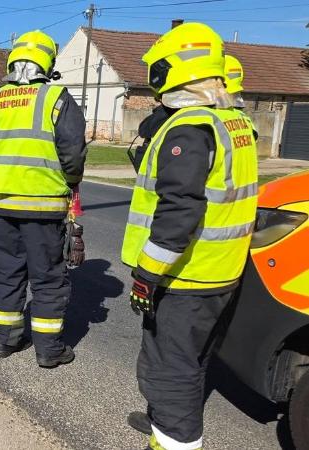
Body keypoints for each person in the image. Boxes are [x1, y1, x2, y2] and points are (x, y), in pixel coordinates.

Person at [122, 22, 258, 450]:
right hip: (220, 271)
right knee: (191, 362)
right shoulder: (234, 120)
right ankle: (163, 419)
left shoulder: (190, 128)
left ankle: (174, 439)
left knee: (172, 369)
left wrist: (148, 271)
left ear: (174, 69)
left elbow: (179, 211)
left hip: (186, 275)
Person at [0, 30, 87, 368]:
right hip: (43, 207)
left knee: (7, 275)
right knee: (48, 279)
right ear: (48, 62)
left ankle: (5, 341)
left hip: (0, 207)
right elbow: (73, 156)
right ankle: (49, 351)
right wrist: (68, 182)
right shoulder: (56, 98)